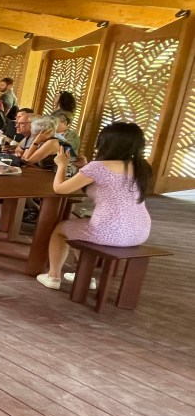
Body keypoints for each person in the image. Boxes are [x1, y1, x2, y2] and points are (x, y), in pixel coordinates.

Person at [38, 121, 152, 290]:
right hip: (140, 231)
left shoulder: (98, 167)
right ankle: (84, 274)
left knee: (61, 229)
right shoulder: (143, 167)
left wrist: (62, 165)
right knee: (82, 226)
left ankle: (53, 276)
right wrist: (84, 168)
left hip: (110, 231)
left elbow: (60, 189)